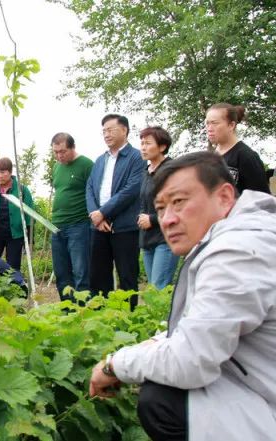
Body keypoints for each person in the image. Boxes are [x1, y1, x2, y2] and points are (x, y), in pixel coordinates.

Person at [89, 152, 276, 441]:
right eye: (160, 208)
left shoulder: (236, 252)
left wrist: (114, 364)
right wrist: (151, 346)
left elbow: (190, 360)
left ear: (225, 196)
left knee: (162, 400)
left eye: (179, 202)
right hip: (261, 384)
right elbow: (198, 327)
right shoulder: (240, 237)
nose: (168, 219)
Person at [86, 114, 145, 308]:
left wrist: (104, 212)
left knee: (127, 276)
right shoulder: (100, 160)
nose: (106, 134)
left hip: (125, 227)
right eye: (104, 131)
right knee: (98, 276)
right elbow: (90, 189)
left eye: (110, 129)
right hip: (99, 227)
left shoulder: (136, 157)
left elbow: (131, 189)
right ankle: (101, 319)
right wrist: (96, 215)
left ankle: (127, 322)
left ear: (125, 130)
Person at [50, 132, 93, 296]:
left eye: (63, 151)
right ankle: (67, 311)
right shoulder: (57, 167)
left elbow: (94, 193)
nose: (59, 156)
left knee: (81, 272)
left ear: (73, 147)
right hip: (57, 226)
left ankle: (83, 311)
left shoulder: (86, 165)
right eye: (56, 152)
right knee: (61, 273)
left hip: (79, 225)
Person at [137, 127, 179, 289]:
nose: (143, 147)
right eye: (142, 143)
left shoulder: (172, 170)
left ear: (162, 147)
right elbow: (144, 201)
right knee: (153, 291)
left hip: (166, 237)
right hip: (147, 238)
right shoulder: (146, 171)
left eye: (148, 143)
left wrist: (152, 219)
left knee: (159, 289)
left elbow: (178, 205)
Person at [0, 157, 34, 272]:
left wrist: (28, 240)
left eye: (3, 172)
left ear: (10, 172)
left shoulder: (22, 191)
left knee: (13, 269)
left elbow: (29, 216)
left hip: (15, 236)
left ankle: (15, 288)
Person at [206, 103, 270, 194]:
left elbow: (262, 200)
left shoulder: (246, 156)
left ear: (231, 125)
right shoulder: (210, 157)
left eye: (214, 123)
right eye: (207, 123)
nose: (209, 128)